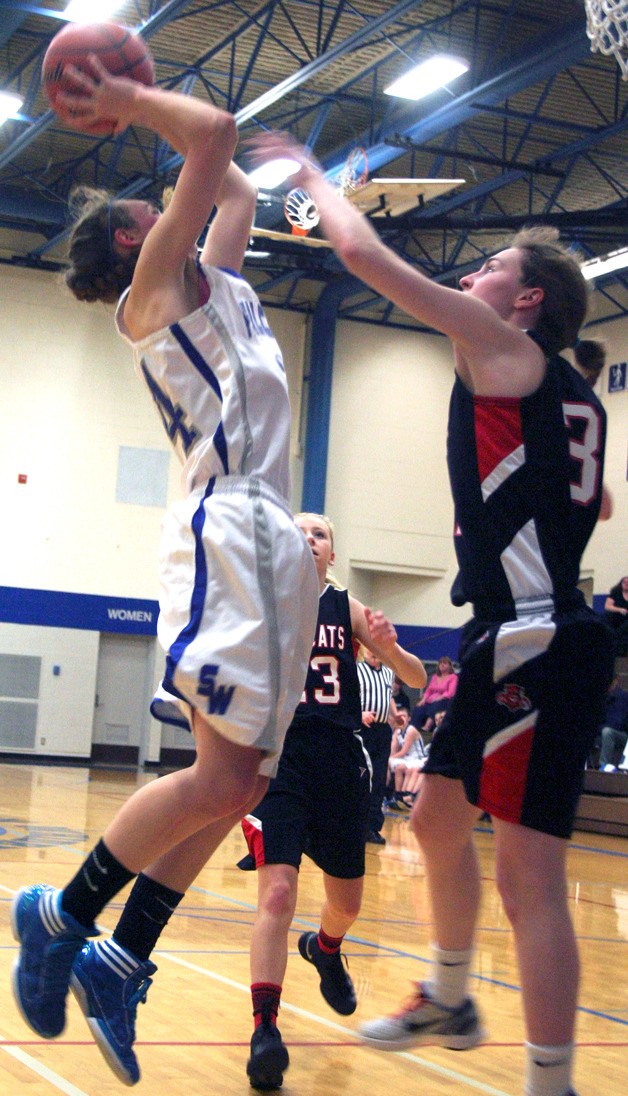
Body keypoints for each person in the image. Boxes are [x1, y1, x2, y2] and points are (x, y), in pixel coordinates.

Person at [246, 131, 616, 1096]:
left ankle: (552, 1082)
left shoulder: (505, 347)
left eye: (493, 266)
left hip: (538, 631)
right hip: (512, 628)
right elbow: (595, 501)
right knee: (442, 819)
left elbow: (365, 258)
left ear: (527, 298)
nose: (477, 272)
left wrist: (319, 182)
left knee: (529, 874)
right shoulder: (573, 394)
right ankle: (451, 992)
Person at [10, 65, 321, 1088]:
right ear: (136, 236)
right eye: (156, 206)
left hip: (274, 544)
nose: (173, 198)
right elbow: (215, 137)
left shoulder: (220, 286)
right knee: (225, 777)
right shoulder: (151, 296)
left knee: (246, 785)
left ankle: (120, 955)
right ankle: (60, 913)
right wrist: (124, 94)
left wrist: (255, 169)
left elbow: (226, 181)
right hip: (227, 531)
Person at [241, 512, 426, 1090]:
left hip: (341, 758)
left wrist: (392, 652)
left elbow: (417, 679)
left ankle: (325, 948)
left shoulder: (347, 608)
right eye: (297, 532)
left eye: (318, 533)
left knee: (346, 901)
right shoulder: (260, 602)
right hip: (281, 760)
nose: (307, 539)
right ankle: (265, 1029)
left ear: (331, 554)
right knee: (278, 892)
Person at [357, 647, 397, 844]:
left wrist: (395, 715)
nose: (374, 653)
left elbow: (388, 698)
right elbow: (347, 698)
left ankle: (372, 827)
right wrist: (359, 713)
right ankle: (356, 825)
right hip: (363, 731)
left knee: (379, 778)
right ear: (365, 652)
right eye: (370, 650)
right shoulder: (356, 670)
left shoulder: (389, 672)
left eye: (377, 650)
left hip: (382, 731)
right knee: (362, 777)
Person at [387, 708, 428, 810]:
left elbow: (403, 751)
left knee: (405, 768)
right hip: (408, 759)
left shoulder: (411, 730)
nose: (401, 718)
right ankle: (397, 795)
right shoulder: (398, 731)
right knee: (397, 768)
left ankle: (406, 797)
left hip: (418, 759)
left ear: (409, 718)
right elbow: (393, 750)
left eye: (404, 716)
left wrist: (390, 758)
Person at [408, 655, 458, 736]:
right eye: (440, 663)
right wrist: (423, 699)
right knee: (418, 708)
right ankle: (413, 728)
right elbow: (429, 690)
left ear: (449, 666)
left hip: (444, 701)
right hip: (430, 700)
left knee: (436, 705)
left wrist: (440, 697)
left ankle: (427, 727)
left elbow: (450, 692)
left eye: (444, 663)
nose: (442, 665)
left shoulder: (453, 677)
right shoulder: (435, 677)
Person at [596, 676, 628, 772]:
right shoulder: (603, 697)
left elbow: (618, 723)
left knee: (607, 732)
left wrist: (600, 727)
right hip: (603, 731)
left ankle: (603, 766)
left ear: (615, 680)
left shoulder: (623, 697)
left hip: (622, 735)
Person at [602, 576, 628, 657]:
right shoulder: (616, 591)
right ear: (621, 583)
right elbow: (607, 606)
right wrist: (620, 610)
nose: (626, 584)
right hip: (615, 618)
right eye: (625, 582)